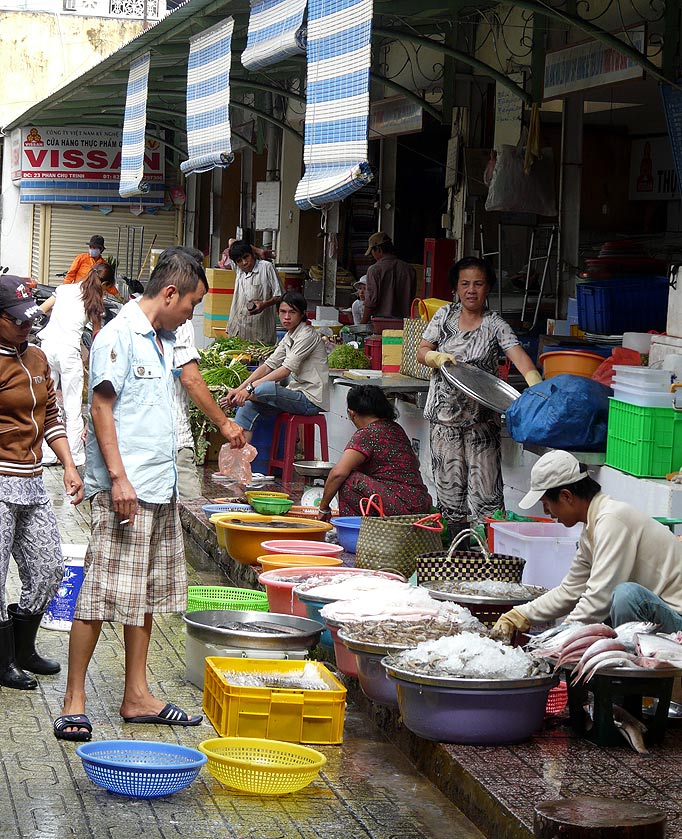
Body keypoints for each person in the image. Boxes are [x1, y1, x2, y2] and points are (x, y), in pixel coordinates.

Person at [53, 252, 208, 742]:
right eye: (191, 305)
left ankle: (137, 696)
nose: (191, 315)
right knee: (100, 594)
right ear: (169, 295)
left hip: (159, 487)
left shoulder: (164, 341)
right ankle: (73, 700)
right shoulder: (119, 336)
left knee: (142, 595)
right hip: (127, 491)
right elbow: (101, 406)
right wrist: (118, 479)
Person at [494, 450, 682, 640]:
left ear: (566, 496)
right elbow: (571, 590)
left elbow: (598, 599)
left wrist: (558, 639)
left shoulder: (611, 520)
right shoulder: (592, 528)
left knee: (626, 596)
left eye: (546, 503)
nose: (547, 512)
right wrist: (520, 614)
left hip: (676, 623)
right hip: (656, 617)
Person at [416, 256, 542, 533]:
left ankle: (491, 547)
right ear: (456, 288)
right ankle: (454, 546)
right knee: (449, 488)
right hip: (444, 416)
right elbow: (421, 351)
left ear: (488, 288)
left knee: (487, 491)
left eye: (478, 284)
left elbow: (520, 358)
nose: (471, 290)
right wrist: (435, 357)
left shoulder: (495, 325)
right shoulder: (444, 316)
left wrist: (538, 389)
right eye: (465, 284)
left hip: (481, 421)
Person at [0, 275, 83, 691]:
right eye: (16, 322)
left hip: (32, 481)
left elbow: (51, 416)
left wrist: (69, 465)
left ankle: (23, 648)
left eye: (29, 320)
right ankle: (2, 661)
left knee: (49, 567)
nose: (25, 328)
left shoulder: (36, 358)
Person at [157, 246, 245, 500]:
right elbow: (191, 378)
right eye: (194, 303)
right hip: (172, 440)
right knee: (190, 507)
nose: (191, 314)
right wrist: (224, 423)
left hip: (149, 445)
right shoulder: (179, 324)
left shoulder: (127, 324)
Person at [220, 291, 328, 443]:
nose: (287, 317)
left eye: (292, 312)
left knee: (266, 389)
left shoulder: (307, 335)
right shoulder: (289, 336)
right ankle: (239, 463)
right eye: (283, 312)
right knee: (247, 407)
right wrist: (239, 389)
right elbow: (269, 365)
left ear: (302, 314)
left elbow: (285, 370)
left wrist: (249, 389)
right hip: (294, 394)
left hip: (310, 400)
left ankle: (243, 397)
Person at [317, 385, 431, 520]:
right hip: (421, 503)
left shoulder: (366, 434)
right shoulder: (396, 429)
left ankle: (355, 532)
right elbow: (414, 463)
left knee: (349, 480)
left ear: (351, 413)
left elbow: (338, 473)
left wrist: (323, 507)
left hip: (402, 507)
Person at [38, 263, 112, 467]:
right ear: (104, 284)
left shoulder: (64, 290)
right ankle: (74, 455)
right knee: (72, 406)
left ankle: (49, 453)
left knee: (47, 402)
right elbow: (96, 336)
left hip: (47, 348)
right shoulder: (94, 302)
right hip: (69, 352)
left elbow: (41, 310)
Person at [226, 240, 283, 343]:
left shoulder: (266, 267)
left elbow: (280, 295)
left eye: (246, 257)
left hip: (261, 332)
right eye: (239, 260)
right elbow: (231, 241)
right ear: (236, 263)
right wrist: (259, 250)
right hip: (238, 330)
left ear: (252, 254)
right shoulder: (239, 270)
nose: (244, 262)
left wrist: (264, 304)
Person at [360, 232, 416, 323]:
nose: (373, 256)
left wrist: (361, 325)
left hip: (381, 325)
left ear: (379, 250)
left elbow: (371, 303)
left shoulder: (374, 270)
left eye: (372, 252)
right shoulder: (409, 269)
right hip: (404, 324)